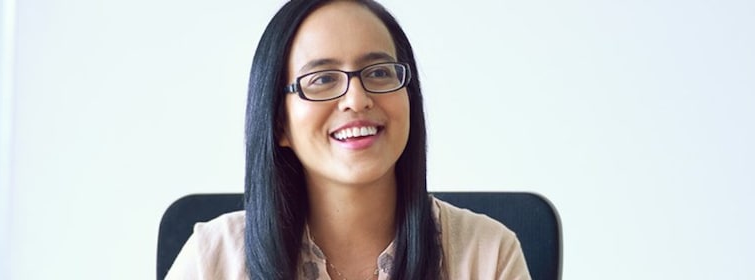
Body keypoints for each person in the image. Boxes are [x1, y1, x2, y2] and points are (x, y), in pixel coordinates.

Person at [166, 1, 530, 279]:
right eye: (322, 79)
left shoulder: (488, 255)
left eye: (380, 72)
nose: (357, 99)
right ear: (279, 123)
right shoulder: (212, 259)